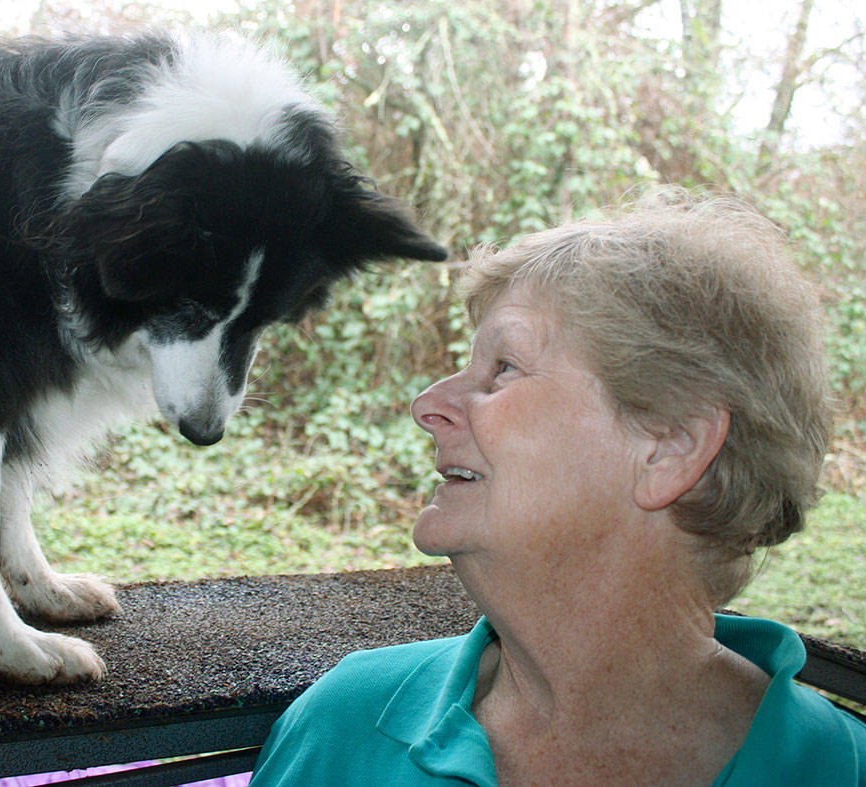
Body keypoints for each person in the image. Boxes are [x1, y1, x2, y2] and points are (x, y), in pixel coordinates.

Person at [249, 190, 866, 785]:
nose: (428, 404)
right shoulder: (341, 728)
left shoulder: (842, 768)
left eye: (504, 367)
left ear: (669, 447)